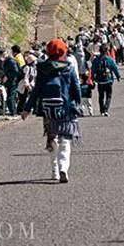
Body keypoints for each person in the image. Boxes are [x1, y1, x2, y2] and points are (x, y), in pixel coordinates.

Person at [23, 38, 81, 183]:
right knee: (65, 140)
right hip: (66, 108)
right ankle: (63, 167)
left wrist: (26, 109)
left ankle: (54, 171)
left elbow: (36, 91)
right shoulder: (69, 68)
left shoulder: (42, 69)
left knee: (52, 139)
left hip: (48, 110)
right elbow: (76, 88)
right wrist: (77, 103)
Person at [90, 46, 121, 117]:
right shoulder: (109, 60)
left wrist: (92, 78)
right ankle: (106, 109)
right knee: (108, 96)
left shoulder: (96, 60)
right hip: (108, 80)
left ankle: (101, 110)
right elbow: (114, 68)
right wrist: (118, 76)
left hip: (100, 81)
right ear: (107, 51)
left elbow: (93, 70)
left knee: (101, 96)